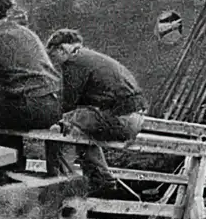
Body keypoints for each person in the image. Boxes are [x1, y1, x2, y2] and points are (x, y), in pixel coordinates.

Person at [45, 28, 147, 196]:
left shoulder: (74, 62)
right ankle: (102, 178)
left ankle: (64, 185)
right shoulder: (90, 57)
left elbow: (68, 103)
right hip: (133, 119)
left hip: (120, 118)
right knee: (79, 126)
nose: (56, 62)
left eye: (54, 56)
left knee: (61, 128)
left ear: (62, 49)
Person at [0, 0, 63, 171]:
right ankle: (12, 166)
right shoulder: (27, 33)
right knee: (3, 104)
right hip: (52, 106)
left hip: (27, 109)